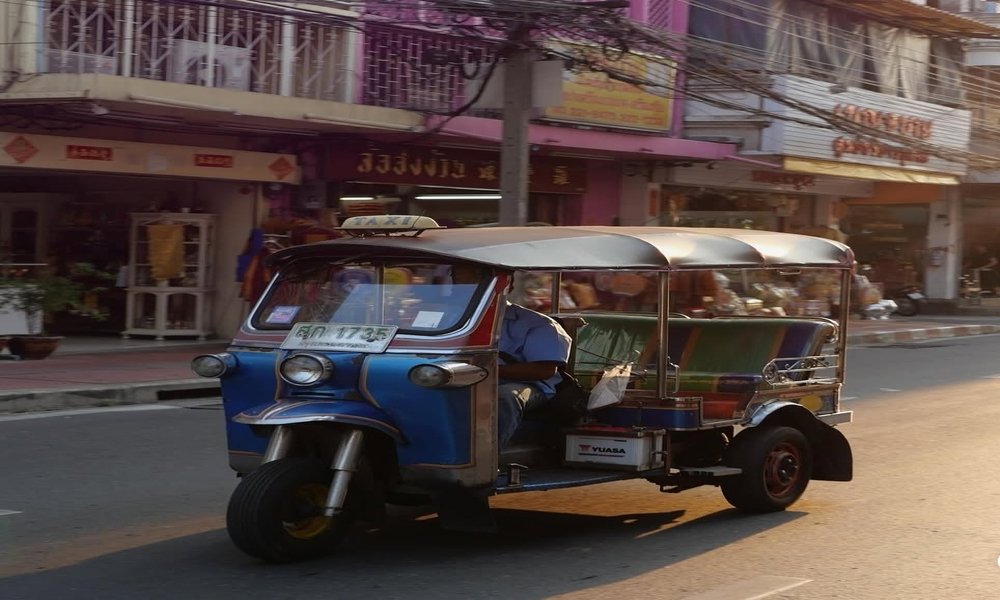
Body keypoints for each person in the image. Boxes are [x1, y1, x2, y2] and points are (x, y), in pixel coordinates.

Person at [450, 265, 572, 449]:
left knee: (504, 397)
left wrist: (487, 372)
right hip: (453, 378)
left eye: (475, 281)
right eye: (459, 281)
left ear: (508, 284)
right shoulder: (446, 319)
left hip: (524, 386)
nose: (467, 288)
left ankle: (484, 456)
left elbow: (544, 370)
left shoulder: (538, 324)